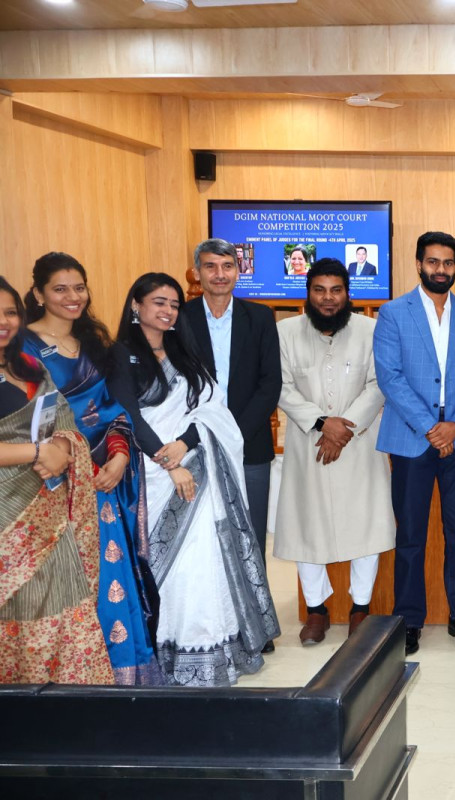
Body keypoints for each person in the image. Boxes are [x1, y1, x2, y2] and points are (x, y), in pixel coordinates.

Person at [115, 272, 280, 686]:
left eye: (174, 304)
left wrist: (185, 444)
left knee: (203, 561)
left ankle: (211, 650)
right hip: (150, 474)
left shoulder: (184, 354)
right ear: (135, 305)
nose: (169, 311)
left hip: (198, 468)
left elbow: (212, 410)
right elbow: (127, 416)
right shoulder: (119, 355)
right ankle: (165, 653)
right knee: (169, 568)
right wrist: (169, 464)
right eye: (159, 302)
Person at [22, 253, 161, 685]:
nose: (73, 297)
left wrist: (120, 457)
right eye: (60, 289)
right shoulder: (22, 348)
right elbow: (25, 424)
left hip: (101, 483)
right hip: (49, 485)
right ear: (39, 294)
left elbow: (114, 412)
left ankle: (117, 679)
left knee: (109, 581)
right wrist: (69, 457)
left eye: (79, 287)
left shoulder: (95, 344)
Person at [374, 231, 455, 655]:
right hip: (411, 440)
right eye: (433, 262)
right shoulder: (393, 313)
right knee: (411, 535)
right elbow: (390, 378)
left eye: (448, 263)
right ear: (419, 264)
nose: (441, 270)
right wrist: (430, 427)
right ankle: (409, 620)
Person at [0, 276, 115, 685]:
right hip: (8, 519)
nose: (4, 322)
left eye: (10, 312)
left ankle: (66, 705)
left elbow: (61, 420)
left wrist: (64, 448)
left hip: (50, 516)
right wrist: (37, 453)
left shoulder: (28, 366)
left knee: (66, 605)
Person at [275, 259, 393, 646]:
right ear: (307, 293)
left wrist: (345, 427)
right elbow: (281, 386)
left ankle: (361, 607)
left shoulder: (371, 330)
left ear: (348, 293)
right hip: (309, 442)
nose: (328, 298)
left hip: (359, 443)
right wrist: (323, 423)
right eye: (320, 290)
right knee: (306, 526)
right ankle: (316, 610)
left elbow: (379, 383)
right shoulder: (285, 332)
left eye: (336, 290)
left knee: (366, 524)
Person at [182, 238, 281, 653]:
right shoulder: (181, 318)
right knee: (203, 536)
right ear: (197, 273)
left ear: (238, 272)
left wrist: (232, 431)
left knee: (250, 535)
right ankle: (218, 623)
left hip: (249, 443)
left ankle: (256, 625)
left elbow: (270, 383)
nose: (219, 274)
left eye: (227, 266)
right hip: (194, 444)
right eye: (210, 266)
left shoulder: (260, 317)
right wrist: (206, 433)